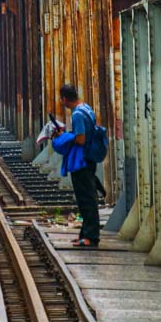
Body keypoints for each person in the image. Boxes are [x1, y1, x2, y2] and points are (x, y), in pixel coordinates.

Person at [60, 83, 100, 247]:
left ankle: (91, 237)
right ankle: (85, 234)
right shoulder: (86, 108)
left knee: (86, 199)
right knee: (88, 197)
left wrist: (64, 137)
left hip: (81, 161)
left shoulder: (77, 114)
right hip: (89, 159)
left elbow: (81, 139)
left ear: (64, 98)